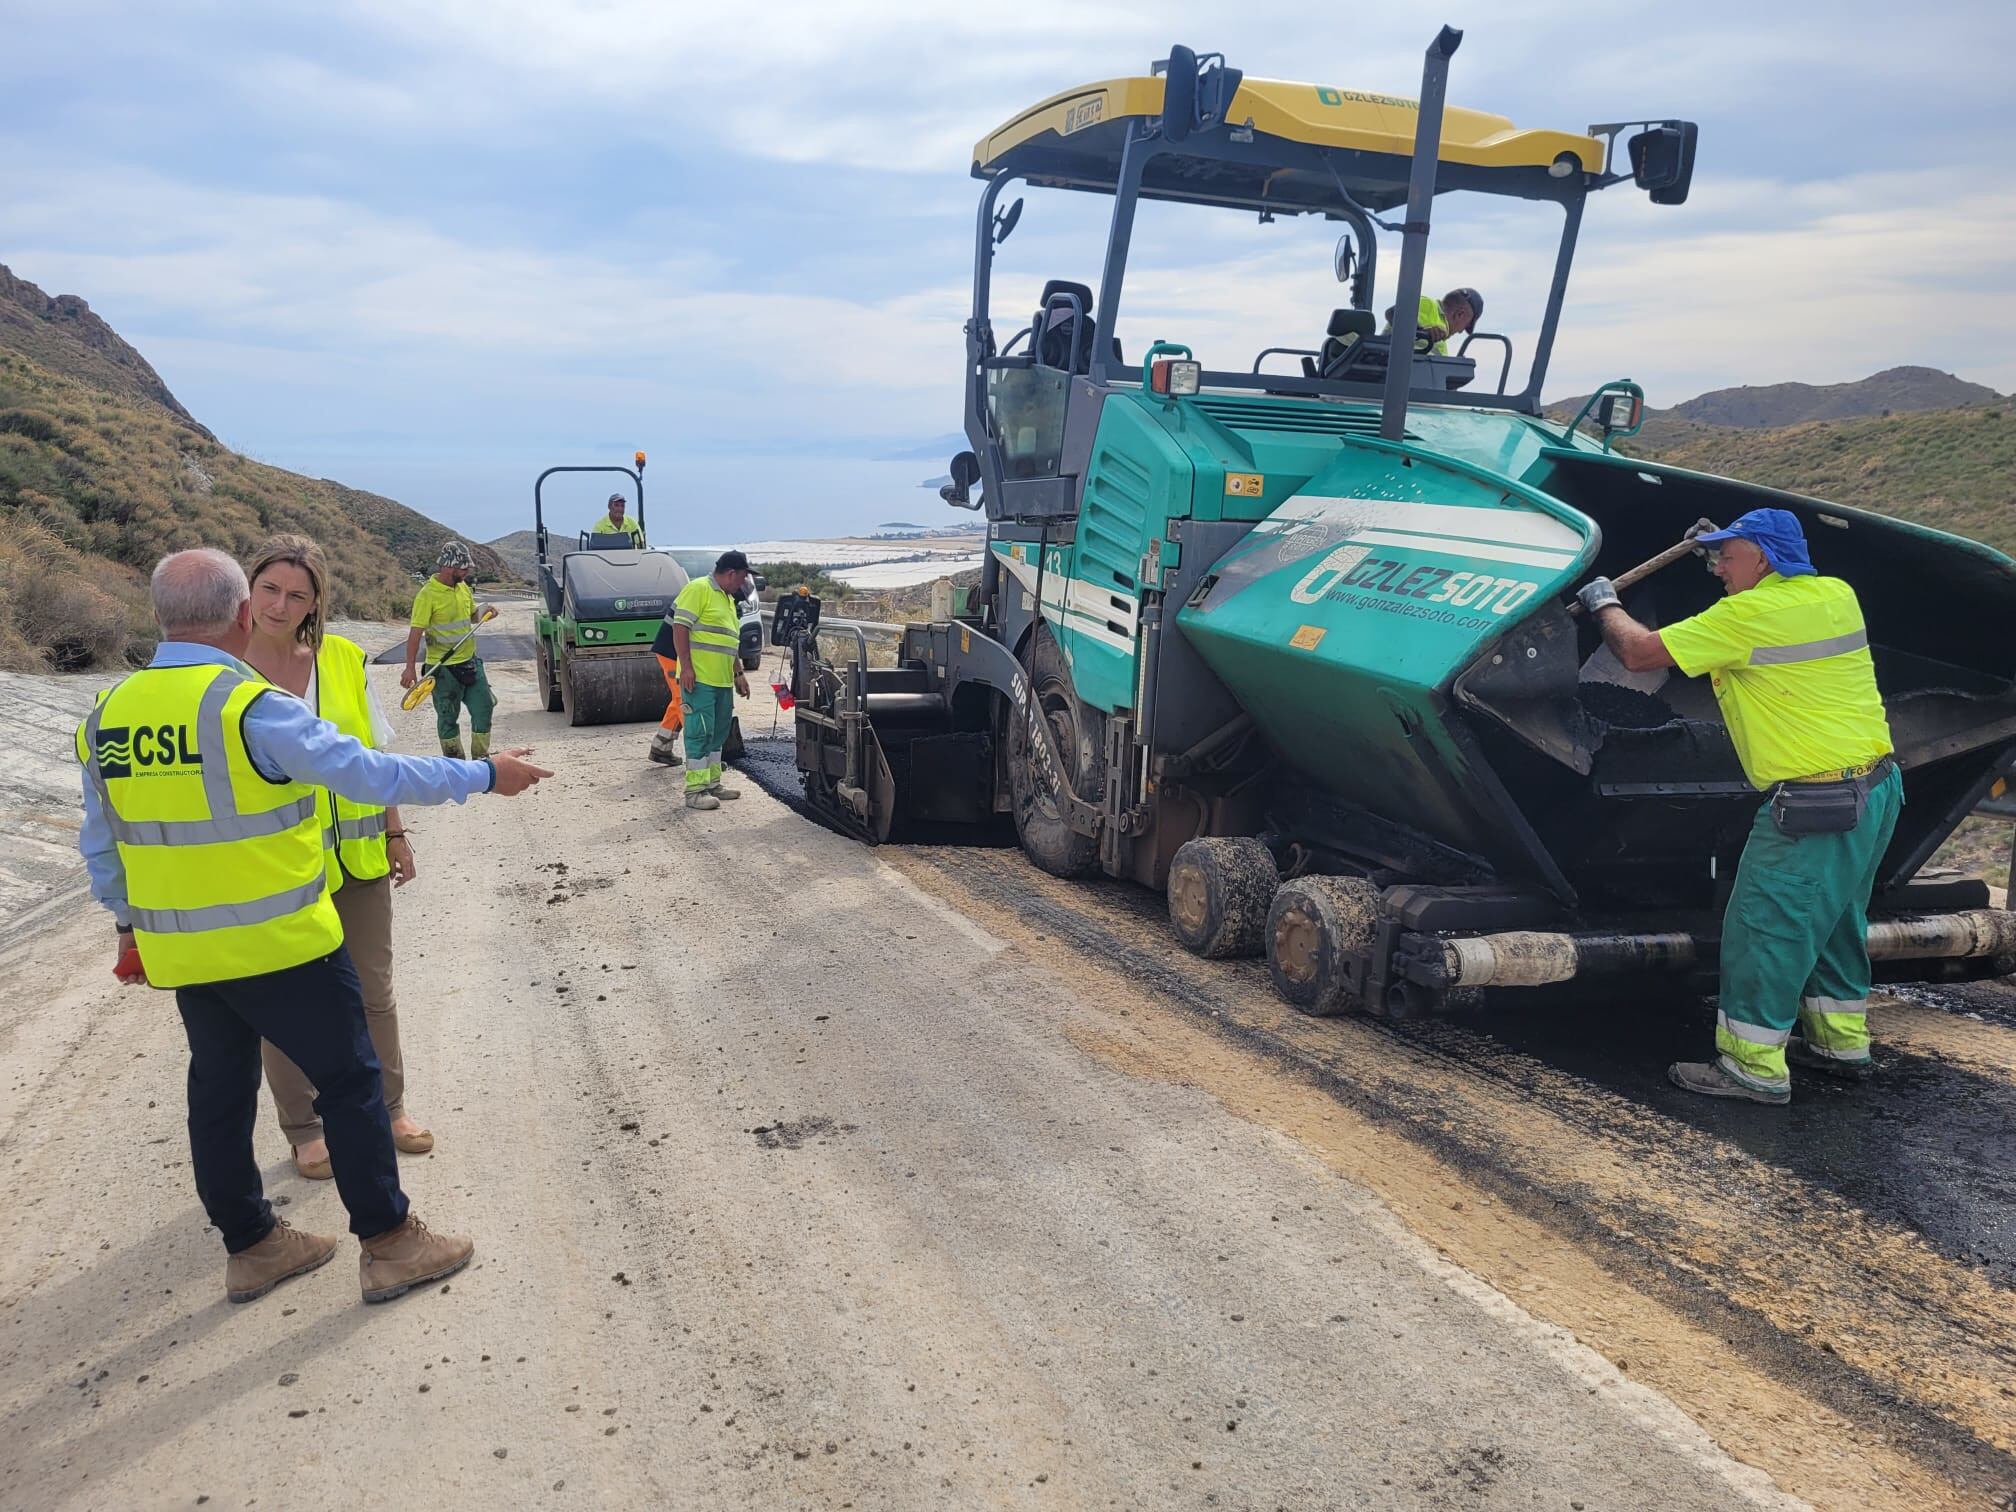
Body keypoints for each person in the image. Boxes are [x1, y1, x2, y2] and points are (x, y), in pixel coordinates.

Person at [77, 548, 553, 1305]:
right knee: (352, 1081)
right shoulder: (247, 706)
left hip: (184, 952)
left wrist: (128, 930)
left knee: (220, 1093)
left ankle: (254, 1247)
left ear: (159, 613)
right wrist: (485, 774)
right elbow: (370, 772)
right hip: (279, 940)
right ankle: (392, 1243)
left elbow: (103, 846)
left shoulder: (108, 715)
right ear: (240, 612)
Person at [1578, 508, 1899, 1105]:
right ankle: (1840, 1044)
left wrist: (1604, 603)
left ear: (1766, 559)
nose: (1718, 568)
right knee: (1831, 922)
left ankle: (1751, 1067)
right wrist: (1710, 545)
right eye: (1714, 555)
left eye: (1729, 556)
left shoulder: (1749, 614)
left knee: (1766, 929)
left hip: (1815, 802)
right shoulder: (1834, 594)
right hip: (1877, 788)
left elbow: (1640, 654)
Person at [241, 535, 434, 1182]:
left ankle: (391, 1109)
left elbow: (374, 762)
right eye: (269, 588)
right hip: (275, 872)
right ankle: (305, 1131)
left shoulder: (345, 659)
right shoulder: (224, 667)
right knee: (286, 1004)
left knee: (372, 995)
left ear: (315, 601)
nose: (279, 604)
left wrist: (396, 834)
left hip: (355, 862)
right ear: (248, 589)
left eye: (297, 593)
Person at [668, 550, 752, 810]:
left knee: (717, 733)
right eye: (743, 577)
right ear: (730, 573)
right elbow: (680, 627)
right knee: (699, 732)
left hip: (722, 680)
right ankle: (695, 791)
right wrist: (688, 667)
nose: (744, 583)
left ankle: (713, 784)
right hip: (701, 679)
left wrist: (738, 673)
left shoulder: (727, 599)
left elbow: (728, 643)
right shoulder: (698, 589)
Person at [402, 540, 495, 759]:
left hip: (470, 662)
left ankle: (481, 759)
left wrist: (485, 612)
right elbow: (415, 634)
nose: (466, 572)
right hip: (442, 669)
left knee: (484, 708)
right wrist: (409, 668)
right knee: (447, 717)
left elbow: (471, 616)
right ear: (448, 567)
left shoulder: (462, 588)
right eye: (463, 568)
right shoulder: (427, 595)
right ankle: (455, 763)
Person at [1382, 286, 1482, 355]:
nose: (1460, 332)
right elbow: (1394, 313)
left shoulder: (1441, 344)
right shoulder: (1429, 305)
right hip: (1388, 372)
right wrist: (1421, 331)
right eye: (1465, 326)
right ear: (1460, 314)